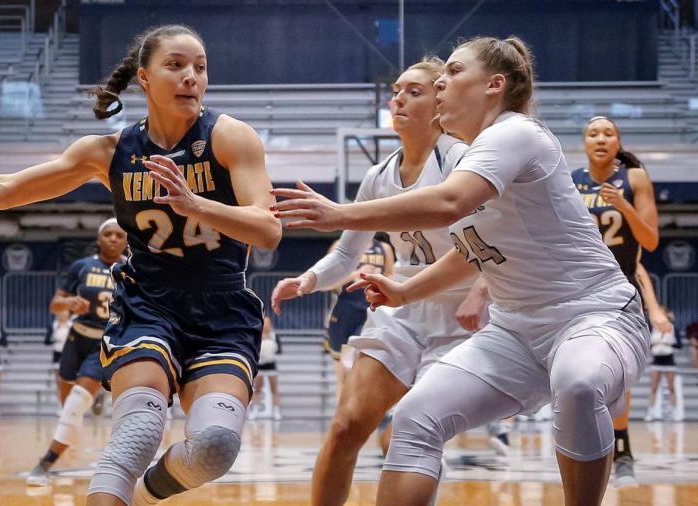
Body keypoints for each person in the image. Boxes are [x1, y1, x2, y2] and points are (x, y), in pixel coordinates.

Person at [0, 24, 279, 505]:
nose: (191, 76)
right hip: (148, 305)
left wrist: (197, 205)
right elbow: (5, 191)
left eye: (200, 67)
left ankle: (148, 494)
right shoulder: (108, 152)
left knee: (215, 447)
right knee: (140, 430)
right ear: (145, 79)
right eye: (175, 65)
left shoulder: (230, 138)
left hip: (223, 311)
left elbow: (268, 228)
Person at [271, 36, 649, 506]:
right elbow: (473, 251)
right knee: (414, 416)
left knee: (578, 381)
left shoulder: (516, 133)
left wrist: (342, 214)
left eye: (452, 71)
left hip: (596, 315)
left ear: (494, 85)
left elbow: (451, 203)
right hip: (516, 330)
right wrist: (405, 293)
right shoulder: (472, 156)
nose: (441, 82)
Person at [270, 57, 476, 506]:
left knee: (411, 434)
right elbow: (347, 251)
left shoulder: (464, 163)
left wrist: (481, 291)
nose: (398, 97)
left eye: (414, 91)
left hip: (462, 318)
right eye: (397, 90)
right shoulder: (378, 175)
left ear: (440, 103)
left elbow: (493, 242)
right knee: (345, 428)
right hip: (401, 311)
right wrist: (306, 279)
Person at [572, 117, 671, 487]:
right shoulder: (571, 182)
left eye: (608, 133)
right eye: (593, 133)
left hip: (619, 288)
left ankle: (623, 447)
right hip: (577, 288)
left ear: (618, 142)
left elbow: (650, 241)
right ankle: (584, 445)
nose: (601, 138)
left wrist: (623, 206)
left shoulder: (635, 179)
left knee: (614, 374)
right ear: (584, 143)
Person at [27, 218, 128, 487]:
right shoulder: (81, 267)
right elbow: (54, 305)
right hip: (75, 339)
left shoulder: (132, 271)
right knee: (67, 408)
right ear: (98, 239)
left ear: (127, 241)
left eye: (119, 235)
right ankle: (78, 418)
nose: (113, 239)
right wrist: (69, 302)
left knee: (73, 407)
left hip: (104, 345)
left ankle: (44, 463)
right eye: (107, 234)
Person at [321, 236, 393, 398]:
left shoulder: (384, 249)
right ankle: (341, 418)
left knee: (361, 372)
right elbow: (325, 284)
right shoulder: (339, 246)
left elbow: (393, 282)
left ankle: (362, 417)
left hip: (372, 313)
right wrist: (355, 275)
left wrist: (378, 280)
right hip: (343, 313)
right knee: (342, 374)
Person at [646, 305, 681, 422]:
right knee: (653, 388)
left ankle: (675, 413)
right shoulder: (653, 327)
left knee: (671, 387)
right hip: (657, 360)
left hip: (669, 360)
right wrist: (657, 341)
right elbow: (648, 343)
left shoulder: (672, 327)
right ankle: (650, 413)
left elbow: (679, 344)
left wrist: (668, 341)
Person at [249, 315, 283, 421]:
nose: (266, 325)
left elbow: (280, 350)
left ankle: (277, 411)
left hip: (271, 366)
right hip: (259, 367)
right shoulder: (257, 336)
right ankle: (255, 410)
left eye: (268, 323)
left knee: (274, 389)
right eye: (265, 323)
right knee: (257, 389)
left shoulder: (274, 336)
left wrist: (271, 353)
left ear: (271, 324)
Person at [45, 309, 74, 404]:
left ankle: (69, 403)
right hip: (57, 355)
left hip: (68, 355)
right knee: (59, 382)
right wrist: (54, 337)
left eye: (65, 314)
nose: (63, 316)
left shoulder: (72, 325)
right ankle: (60, 404)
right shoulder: (54, 325)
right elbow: (46, 341)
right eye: (61, 314)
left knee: (69, 382)